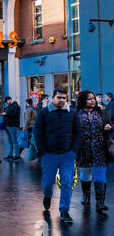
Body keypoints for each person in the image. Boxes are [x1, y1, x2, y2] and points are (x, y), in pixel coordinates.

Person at [33, 87, 82, 224]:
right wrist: (43, 151)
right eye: (59, 97)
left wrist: (74, 150)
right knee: (48, 182)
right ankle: (47, 196)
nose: (61, 100)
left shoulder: (72, 113)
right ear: (53, 97)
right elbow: (37, 132)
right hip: (49, 154)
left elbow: (78, 132)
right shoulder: (44, 113)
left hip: (68, 154)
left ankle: (64, 210)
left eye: (64, 98)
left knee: (67, 182)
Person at [76, 90, 112, 214]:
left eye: (93, 99)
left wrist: (108, 127)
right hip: (83, 149)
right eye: (89, 99)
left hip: (100, 148)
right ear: (82, 101)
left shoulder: (101, 111)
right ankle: (86, 195)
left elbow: (108, 123)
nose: (93, 101)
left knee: (100, 173)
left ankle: (100, 202)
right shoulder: (76, 114)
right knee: (86, 174)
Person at [1, 96, 21, 161]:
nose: (6, 103)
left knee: (14, 141)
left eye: (7, 101)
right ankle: (10, 154)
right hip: (7, 126)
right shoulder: (7, 107)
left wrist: (6, 114)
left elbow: (16, 115)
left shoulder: (16, 106)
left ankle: (17, 155)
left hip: (13, 126)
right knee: (10, 141)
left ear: (9, 100)